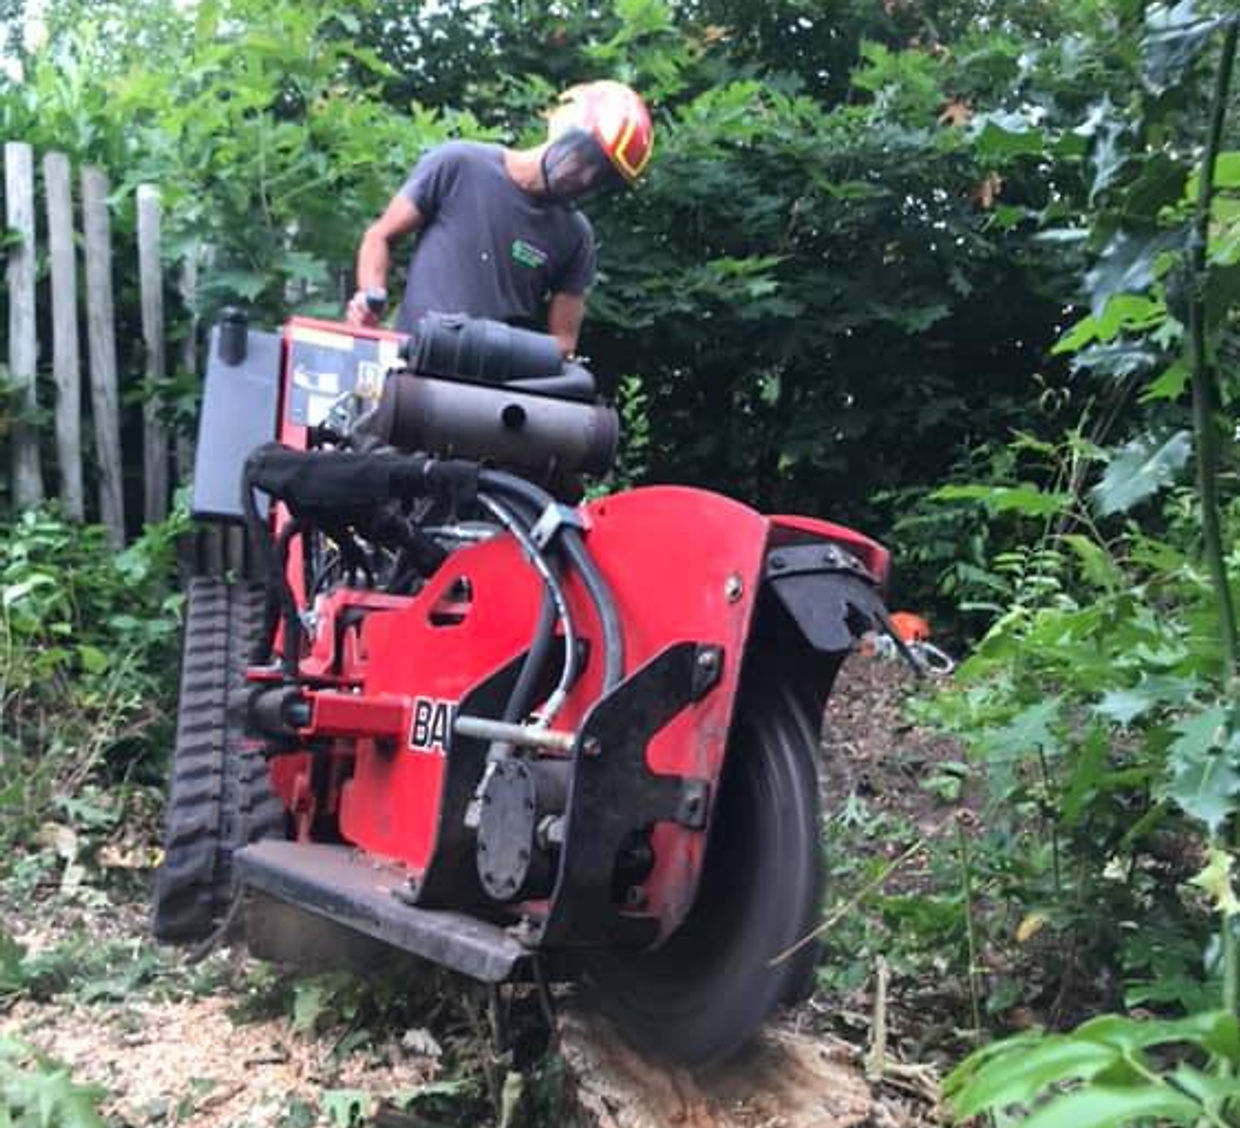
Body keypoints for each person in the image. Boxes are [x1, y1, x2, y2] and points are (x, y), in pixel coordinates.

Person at [346, 80, 654, 358]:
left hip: (490, 398)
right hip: (411, 368)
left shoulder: (575, 235)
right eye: (587, 159)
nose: (586, 177)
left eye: (600, 176)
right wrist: (369, 298)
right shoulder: (460, 165)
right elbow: (380, 236)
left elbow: (563, 344)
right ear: (566, 128)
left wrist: (499, 349)